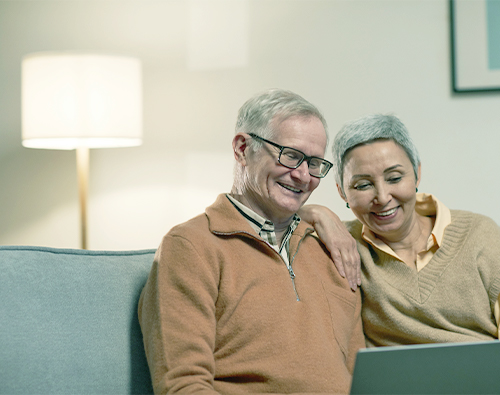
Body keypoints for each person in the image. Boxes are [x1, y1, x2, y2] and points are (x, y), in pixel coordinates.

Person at [300, 114, 500, 395]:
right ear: (341, 192)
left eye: (394, 178)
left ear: (417, 174)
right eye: (362, 185)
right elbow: (258, 216)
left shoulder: (480, 234)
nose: (383, 197)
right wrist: (314, 212)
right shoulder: (341, 247)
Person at [138, 89, 365, 394]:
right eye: (291, 155)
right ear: (243, 149)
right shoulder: (190, 247)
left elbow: (362, 379)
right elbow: (183, 386)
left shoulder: (334, 249)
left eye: (314, 163)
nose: (303, 176)